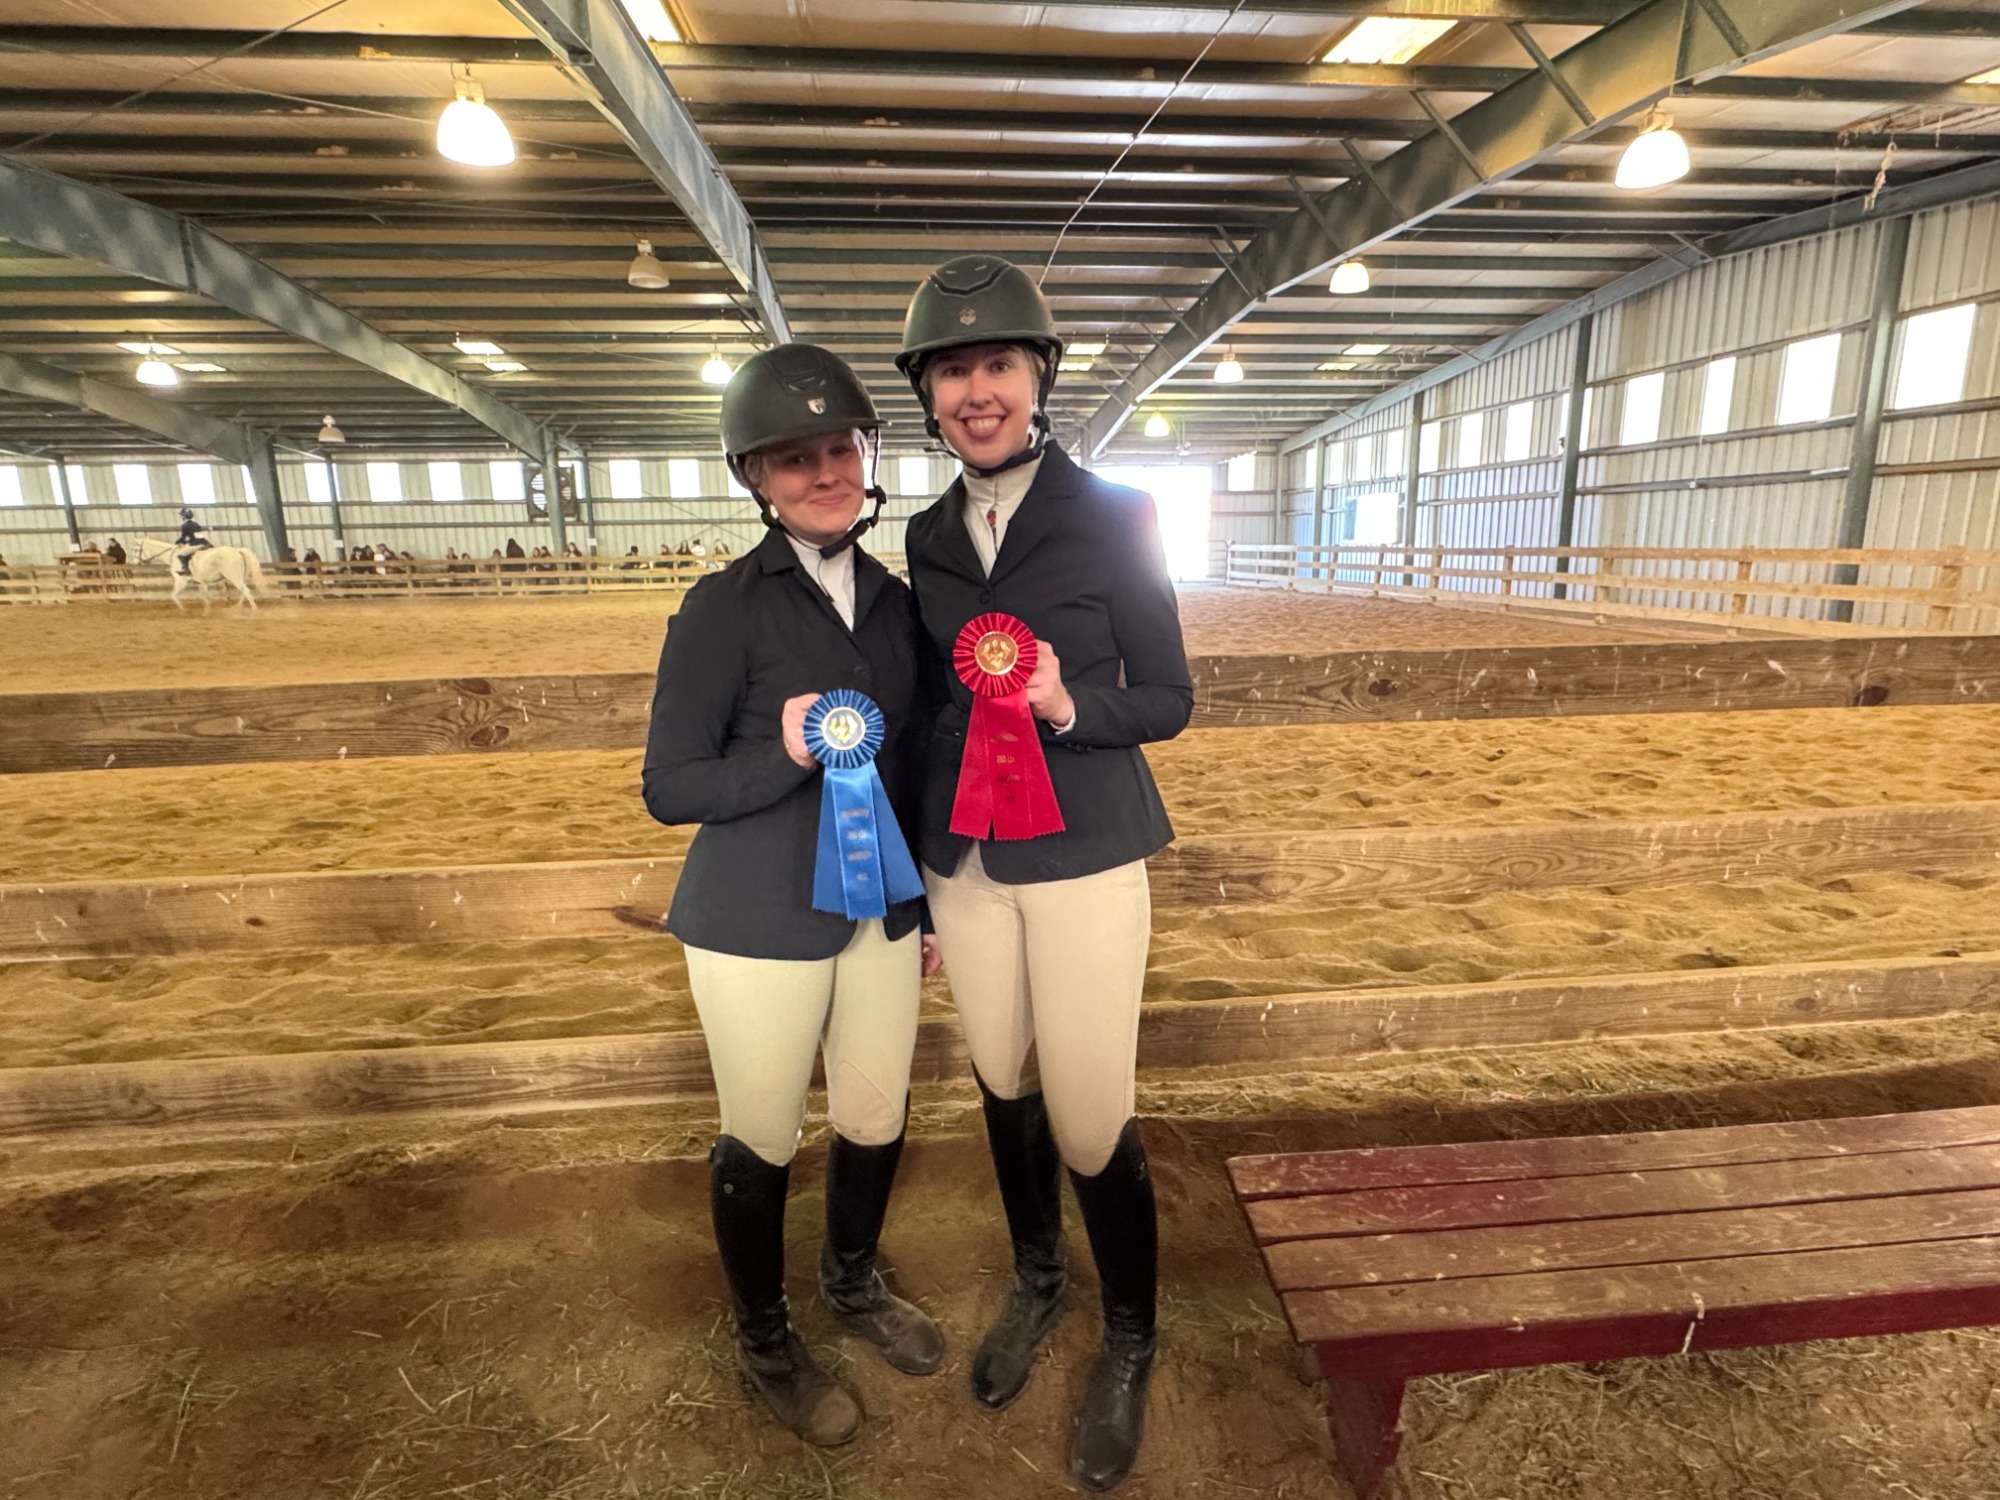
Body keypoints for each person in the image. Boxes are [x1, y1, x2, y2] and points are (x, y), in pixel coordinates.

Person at [895, 256, 1192, 1492]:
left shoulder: (1117, 513)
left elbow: (1168, 696)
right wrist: (913, 872)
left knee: (1085, 1106)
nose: (977, 391)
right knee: (999, 1077)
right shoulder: (921, 534)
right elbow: (921, 710)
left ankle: (1129, 1333)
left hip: (1079, 852)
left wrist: (1071, 705)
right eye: (954, 370)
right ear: (929, 395)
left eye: (996, 365)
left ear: (1037, 378)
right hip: (963, 861)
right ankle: (1035, 1280)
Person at [642, 343, 944, 1448]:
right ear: (755, 478)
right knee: (763, 1133)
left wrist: (918, 908)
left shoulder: (899, 607)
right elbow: (668, 786)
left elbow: (906, 760)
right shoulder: (719, 608)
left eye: (837, 449)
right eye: (793, 458)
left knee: (873, 1114)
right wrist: (783, 753)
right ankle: (764, 1338)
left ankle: (853, 1281)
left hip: (877, 907)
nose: (821, 472)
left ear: (865, 456)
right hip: (755, 921)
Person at [172, 507, 208, 575]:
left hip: (195, 544)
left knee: (181, 556)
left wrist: (176, 542)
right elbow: (194, 536)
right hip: (204, 542)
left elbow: (183, 537)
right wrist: (186, 541)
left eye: (181, 515)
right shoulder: (196, 524)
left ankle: (186, 570)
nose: (181, 517)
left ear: (184, 516)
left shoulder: (184, 525)